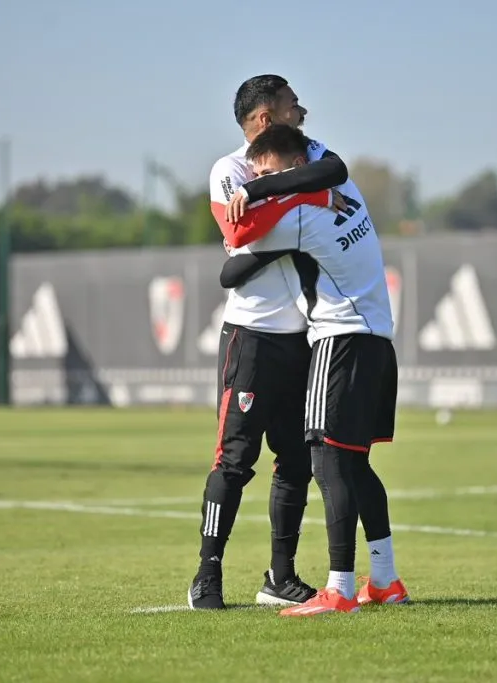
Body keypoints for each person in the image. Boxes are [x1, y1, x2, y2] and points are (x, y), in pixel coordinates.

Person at [219, 125, 410, 617]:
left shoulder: (302, 214)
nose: (258, 181)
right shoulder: (346, 193)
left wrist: (255, 194)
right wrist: (312, 191)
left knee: (326, 464)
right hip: (377, 342)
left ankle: (340, 588)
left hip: (338, 339)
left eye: (264, 173)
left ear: (285, 168)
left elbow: (233, 256)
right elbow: (326, 175)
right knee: (355, 465)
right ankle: (384, 580)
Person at [187, 75, 351, 610]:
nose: (301, 114)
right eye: (291, 107)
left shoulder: (303, 157)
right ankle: (206, 575)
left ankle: (280, 576)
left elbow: (335, 172)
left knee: (296, 462)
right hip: (251, 336)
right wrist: (305, 203)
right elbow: (238, 243)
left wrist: (272, 194)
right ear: (264, 120)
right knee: (234, 460)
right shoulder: (228, 169)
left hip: (303, 336)